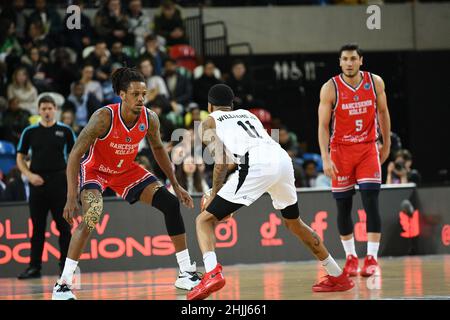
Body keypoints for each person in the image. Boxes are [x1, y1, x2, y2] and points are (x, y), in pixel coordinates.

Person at [187, 84, 354, 300]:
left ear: (209, 106)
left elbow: (221, 161)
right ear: (232, 104)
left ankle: (211, 273)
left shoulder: (208, 121)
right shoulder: (248, 114)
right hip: (282, 159)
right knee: (294, 223)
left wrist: (215, 196)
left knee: (204, 220)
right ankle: (337, 275)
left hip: (256, 163)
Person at [52, 67, 200, 300]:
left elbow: (159, 149)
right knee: (92, 215)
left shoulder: (149, 118)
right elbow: (74, 156)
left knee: (170, 203)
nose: (141, 98)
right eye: (135, 94)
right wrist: (71, 197)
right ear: (122, 94)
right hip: (96, 171)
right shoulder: (103, 118)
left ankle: (185, 272)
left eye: (144, 94)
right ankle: (63, 284)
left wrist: (176, 183)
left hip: (125, 171)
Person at [318, 44, 391, 278]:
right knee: (343, 206)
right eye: (345, 59)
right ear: (340, 62)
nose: (349, 63)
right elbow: (322, 125)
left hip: (368, 147)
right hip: (340, 150)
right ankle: (350, 258)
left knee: (371, 201)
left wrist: (386, 143)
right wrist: (325, 157)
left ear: (361, 60)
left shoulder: (375, 82)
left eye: (353, 58)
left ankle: (371, 258)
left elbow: (383, 112)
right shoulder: (330, 88)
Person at [16, 95, 76, 279]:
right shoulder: (29, 132)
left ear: (55, 109)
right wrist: (29, 175)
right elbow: (20, 157)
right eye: (44, 109)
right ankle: (34, 267)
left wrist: (72, 183)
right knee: (37, 228)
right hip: (37, 184)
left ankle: (65, 268)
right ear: (38, 110)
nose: (47, 112)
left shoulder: (65, 131)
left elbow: (75, 157)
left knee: (64, 227)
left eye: (50, 108)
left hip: (59, 183)